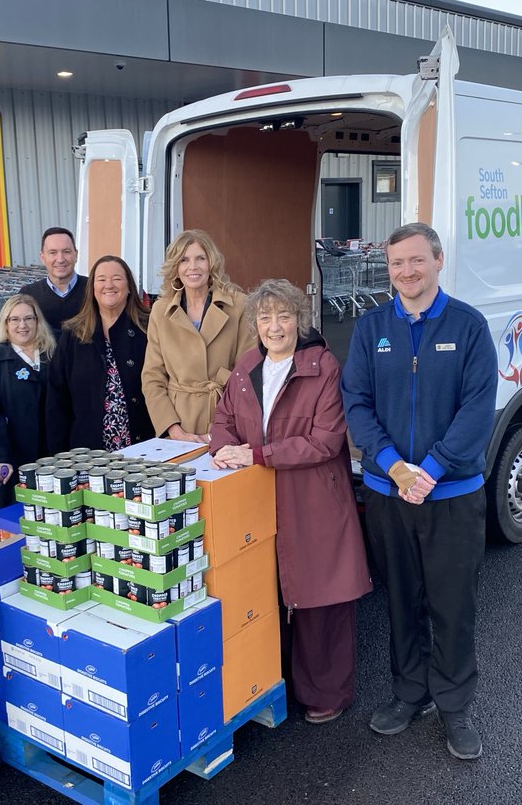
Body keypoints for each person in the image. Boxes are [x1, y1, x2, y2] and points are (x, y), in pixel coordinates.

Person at [340, 223, 497, 761]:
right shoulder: (371, 328)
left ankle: (455, 705)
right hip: (389, 493)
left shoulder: (468, 326)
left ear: (437, 261)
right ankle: (411, 693)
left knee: (452, 604)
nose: (405, 272)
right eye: (396, 264)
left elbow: (477, 409)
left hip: (452, 493)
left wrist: (429, 469)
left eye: (415, 261)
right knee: (402, 600)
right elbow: (356, 403)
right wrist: (392, 466)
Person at [210, 279, 371, 724]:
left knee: (321, 595)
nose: (274, 327)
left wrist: (257, 454)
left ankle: (327, 691)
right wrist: (223, 448)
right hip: (258, 498)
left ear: (300, 321)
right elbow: (222, 419)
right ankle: (272, 678)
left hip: (313, 498)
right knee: (269, 591)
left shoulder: (322, 367)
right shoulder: (246, 367)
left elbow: (324, 441)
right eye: (265, 318)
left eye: (284, 316)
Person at [143, 230, 255, 443]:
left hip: (227, 419)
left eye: (200, 258)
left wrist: (218, 430)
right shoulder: (160, 310)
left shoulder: (239, 304)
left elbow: (247, 373)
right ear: (175, 267)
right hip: (177, 427)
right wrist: (172, 429)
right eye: (184, 260)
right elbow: (152, 377)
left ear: (211, 263)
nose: (192, 267)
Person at [47, 255, 154, 451]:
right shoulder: (73, 333)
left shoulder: (149, 328)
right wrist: (59, 453)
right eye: (102, 279)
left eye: (117, 278)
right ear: (92, 288)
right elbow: (57, 397)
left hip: (144, 445)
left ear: (129, 286)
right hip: (88, 452)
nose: (109, 285)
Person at [0, 293, 55, 500]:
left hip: (54, 452)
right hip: (14, 454)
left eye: (29, 318)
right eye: (15, 319)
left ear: (38, 321)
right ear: (6, 323)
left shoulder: (54, 352)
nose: (23, 325)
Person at [19, 227, 87, 339]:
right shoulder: (28, 295)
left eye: (66, 252)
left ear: (76, 255)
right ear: (42, 257)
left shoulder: (94, 289)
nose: (60, 259)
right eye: (53, 253)